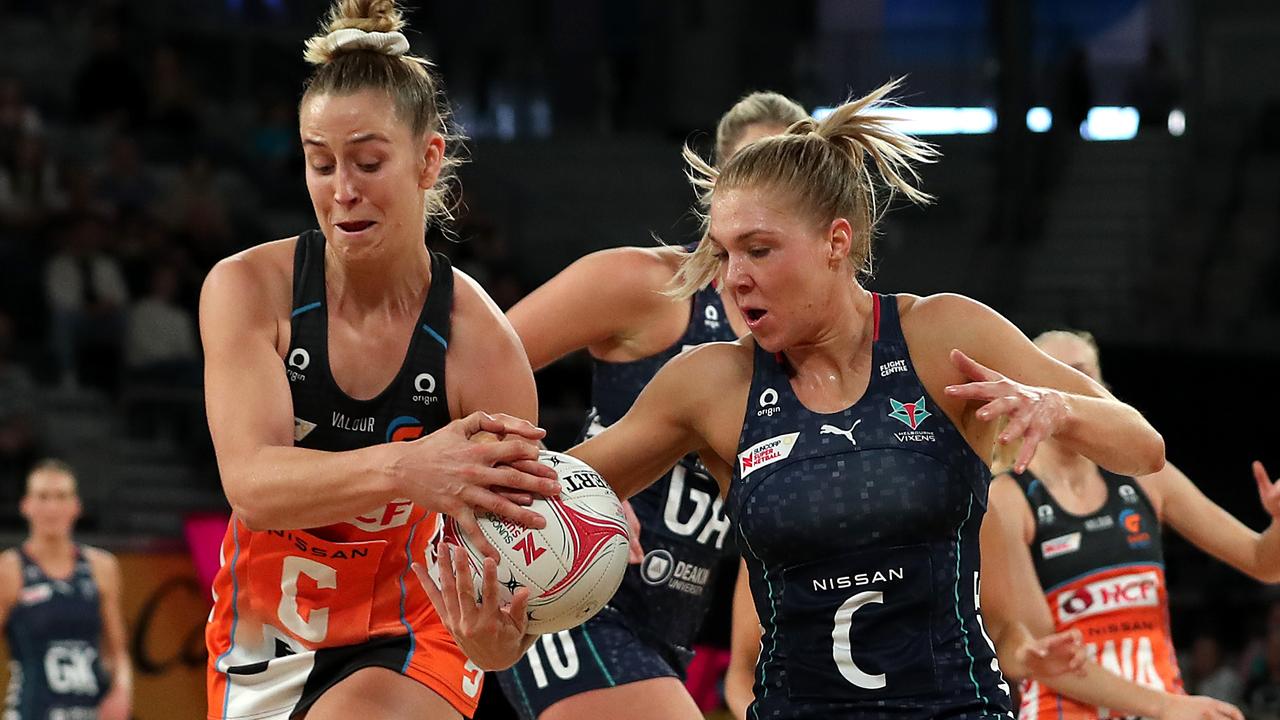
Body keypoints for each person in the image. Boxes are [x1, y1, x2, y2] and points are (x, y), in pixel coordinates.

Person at [421, 78, 1165, 718]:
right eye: (723, 252)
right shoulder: (710, 382)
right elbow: (531, 504)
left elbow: (1144, 445)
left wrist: (1059, 407)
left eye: (760, 250)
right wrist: (497, 637)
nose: (733, 276)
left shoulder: (943, 335)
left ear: (837, 242)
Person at [199, 1, 563, 718]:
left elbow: (502, 594)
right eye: (320, 163)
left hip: (413, 635)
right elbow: (250, 484)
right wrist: (408, 468)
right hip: (261, 636)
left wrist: (496, 642)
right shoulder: (246, 289)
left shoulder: (482, 348)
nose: (342, 192)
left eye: (368, 162)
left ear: (429, 159)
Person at [493, 92, 807, 720]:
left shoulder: (796, 350)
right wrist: (566, 485)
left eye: (787, 174)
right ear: (717, 188)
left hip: (668, 633)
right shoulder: (647, 285)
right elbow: (470, 366)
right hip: (567, 594)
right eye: (751, 172)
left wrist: (745, 672)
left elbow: (768, 541)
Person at [986, 330, 1262, 720]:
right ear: (1028, 389)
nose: (1063, 388)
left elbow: (1260, 559)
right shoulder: (1007, 499)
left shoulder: (1147, 479)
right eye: (1051, 373)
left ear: (1100, 389)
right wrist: (1167, 705)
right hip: (1071, 710)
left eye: (1079, 374)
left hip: (1165, 705)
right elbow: (1041, 652)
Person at [0, 460, 132, 720]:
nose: (52, 507)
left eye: (61, 497)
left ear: (76, 506)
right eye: (43, 497)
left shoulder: (101, 567)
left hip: (91, 711)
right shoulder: (9, 569)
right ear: (26, 505)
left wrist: (122, 692)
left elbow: (117, 650)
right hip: (31, 711)